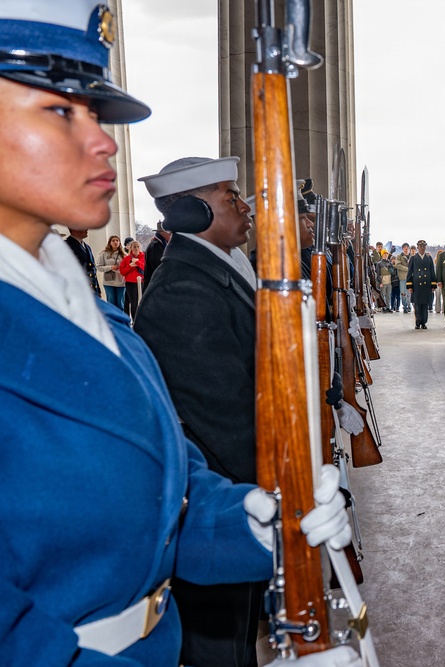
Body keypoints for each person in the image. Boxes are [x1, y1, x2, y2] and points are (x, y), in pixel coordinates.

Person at [0, 5, 356, 665]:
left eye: (96, 112)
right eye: (61, 111)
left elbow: (158, 481)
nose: (104, 141)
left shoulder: (84, 309)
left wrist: (249, 519)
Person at [134, 155, 268, 665]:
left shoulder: (222, 268)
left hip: (237, 494)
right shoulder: (184, 290)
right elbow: (226, 418)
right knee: (223, 646)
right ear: (190, 213)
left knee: (239, 633)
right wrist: (277, 488)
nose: (244, 205)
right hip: (221, 499)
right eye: (229, 196)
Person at [407, 239, 436, 329]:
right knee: (417, 304)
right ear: (418, 247)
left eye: (424, 246)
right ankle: (418, 322)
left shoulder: (429, 258)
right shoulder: (413, 258)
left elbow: (432, 271)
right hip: (417, 284)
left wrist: (433, 284)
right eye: (421, 246)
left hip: (426, 284)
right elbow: (410, 272)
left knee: (425, 304)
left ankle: (424, 322)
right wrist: (409, 285)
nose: (422, 248)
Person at [65, 227, 101, 297]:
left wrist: (97, 290)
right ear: (74, 229)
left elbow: (92, 269)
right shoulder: (66, 245)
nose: (87, 229)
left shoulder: (87, 247)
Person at [97, 234, 126, 309]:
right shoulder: (104, 254)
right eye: (113, 240)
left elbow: (127, 268)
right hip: (108, 282)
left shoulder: (124, 255)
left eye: (117, 240)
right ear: (110, 242)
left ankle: (120, 320)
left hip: (121, 282)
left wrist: (119, 270)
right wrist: (110, 267)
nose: (115, 242)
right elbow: (98, 267)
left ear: (119, 242)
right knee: (111, 304)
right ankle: (111, 320)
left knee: (121, 304)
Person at [119, 239, 145, 322]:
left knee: (142, 301)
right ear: (131, 248)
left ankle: (142, 319)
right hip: (130, 283)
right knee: (133, 302)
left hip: (142, 282)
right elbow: (122, 272)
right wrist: (130, 266)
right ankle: (134, 320)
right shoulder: (126, 258)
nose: (136, 248)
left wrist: (138, 263)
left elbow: (145, 268)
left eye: (138, 247)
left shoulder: (143, 256)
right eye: (134, 247)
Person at [144, 222, 171, 286]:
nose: (172, 236)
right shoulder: (155, 246)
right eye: (170, 234)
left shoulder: (159, 244)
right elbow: (159, 267)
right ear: (163, 233)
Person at [395, 243, 411, 313]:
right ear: (402, 248)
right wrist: (407, 269)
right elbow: (397, 265)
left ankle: (409, 306)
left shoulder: (412, 256)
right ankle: (405, 306)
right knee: (403, 293)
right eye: (404, 247)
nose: (406, 248)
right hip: (403, 277)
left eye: (407, 247)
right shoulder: (399, 256)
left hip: (411, 277)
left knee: (410, 293)